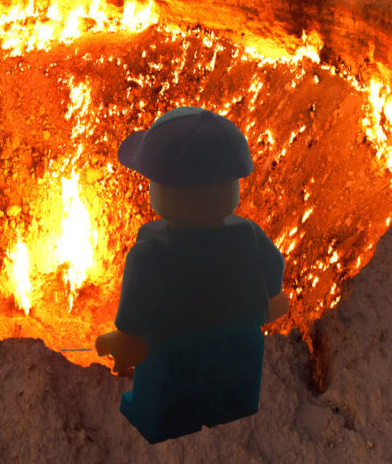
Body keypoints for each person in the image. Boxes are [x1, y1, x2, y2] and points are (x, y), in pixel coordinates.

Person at [96, 107, 288, 444]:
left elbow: (136, 308)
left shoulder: (151, 250)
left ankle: (160, 419)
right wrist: (271, 299)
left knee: (166, 398)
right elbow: (274, 266)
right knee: (235, 389)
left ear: (163, 187)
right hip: (241, 343)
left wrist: (126, 338)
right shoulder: (248, 233)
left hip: (174, 352)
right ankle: (231, 408)